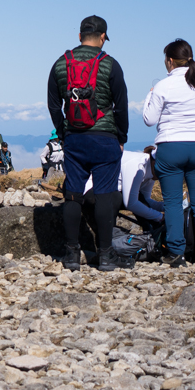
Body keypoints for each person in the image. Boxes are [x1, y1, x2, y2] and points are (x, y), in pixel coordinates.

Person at [46, 15, 129, 271]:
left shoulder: (61, 64)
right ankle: (106, 255)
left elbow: (53, 103)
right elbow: (121, 105)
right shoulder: (110, 64)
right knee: (105, 194)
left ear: (80, 35)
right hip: (105, 138)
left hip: (74, 139)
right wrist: (121, 136)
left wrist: (63, 132)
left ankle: (71, 255)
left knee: (73, 192)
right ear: (103, 37)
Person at [143, 38, 195, 267]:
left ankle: (176, 253)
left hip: (171, 145)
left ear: (170, 61)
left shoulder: (163, 86)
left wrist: (150, 94)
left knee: (173, 202)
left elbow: (149, 119)